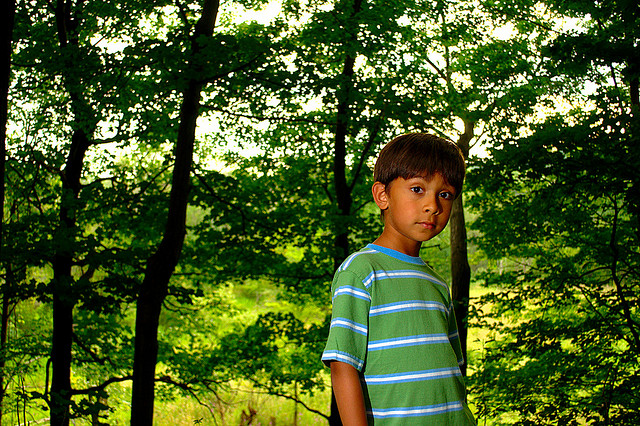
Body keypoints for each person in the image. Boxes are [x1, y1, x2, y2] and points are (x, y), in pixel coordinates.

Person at [322, 133, 476, 425]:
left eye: (445, 194)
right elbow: (343, 365)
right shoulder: (362, 270)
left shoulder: (436, 283)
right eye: (418, 189)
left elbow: (454, 368)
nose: (433, 205)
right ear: (382, 196)